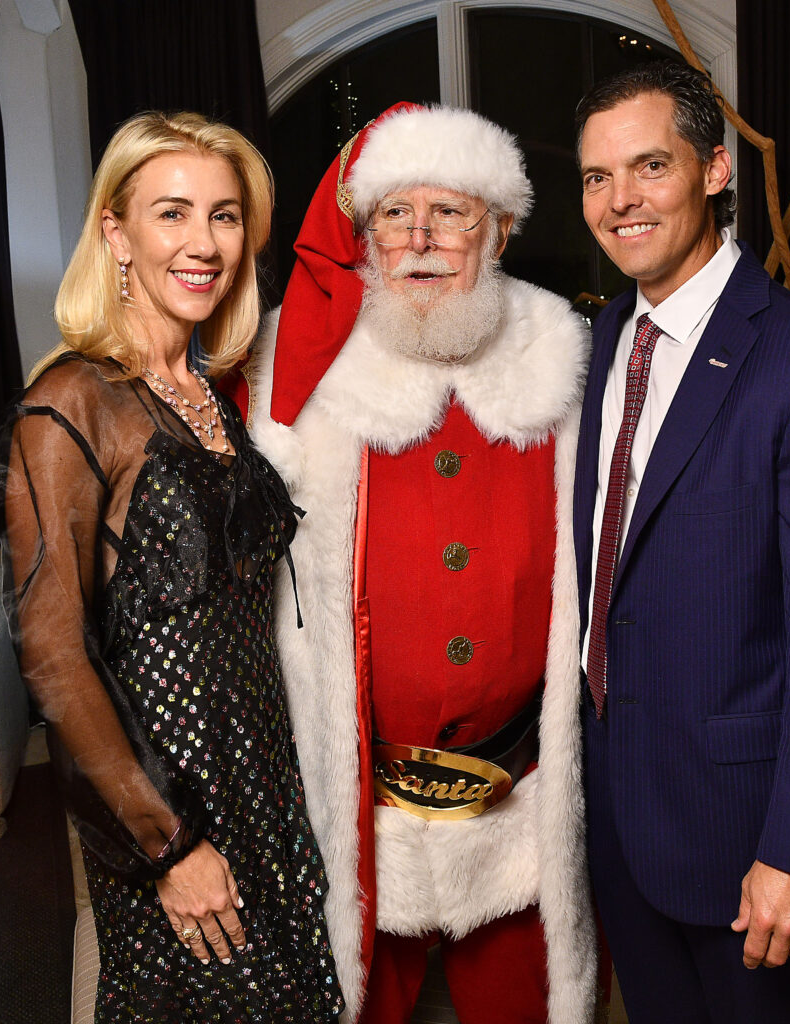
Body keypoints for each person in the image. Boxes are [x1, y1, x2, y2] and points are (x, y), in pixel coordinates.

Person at [223, 103, 596, 1024]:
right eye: (394, 214)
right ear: (363, 235)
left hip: (520, 803)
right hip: (361, 812)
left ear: (500, 230)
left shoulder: (564, 358)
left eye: (453, 213)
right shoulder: (293, 373)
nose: (421, 238)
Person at [0, 111, 343, 1023]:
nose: (204, 243)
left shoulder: (210, 399)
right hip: (170, 801)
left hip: (263, 781)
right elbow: (54, 653)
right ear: (117, 233)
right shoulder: (71, 400)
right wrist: (169, 845)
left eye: (225, 217)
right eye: (172, 213)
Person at [572, 61, 790, 1023]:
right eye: (596, 177)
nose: (620, 200)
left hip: (748, 842)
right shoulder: (600, 347)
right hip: (623, 821)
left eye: (649, 166)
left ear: (716, 169)